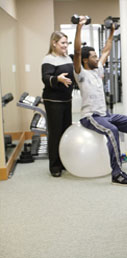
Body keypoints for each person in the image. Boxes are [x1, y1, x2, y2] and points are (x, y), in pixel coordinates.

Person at [73, 16, 127, 186]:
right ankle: (117, 173)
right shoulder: (80, 73)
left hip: (106, 115)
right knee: (112, 131)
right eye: (94, 57)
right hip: (90, 117)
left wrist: (112, 32)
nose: (98, 59)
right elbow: (77, 52)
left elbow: (106, 51)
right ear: (85, 60)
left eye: (97, 57)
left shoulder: (97, 70)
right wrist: (79, 27)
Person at [41, 31, 75, 177]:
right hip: (53, 101)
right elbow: (46, 78)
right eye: (62, 43)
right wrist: (58, 79)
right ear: (54, 43)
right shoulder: (49, 59)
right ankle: (54, 166)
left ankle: (63, 161)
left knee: (66, 132)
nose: (65, 46)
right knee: (55, 133)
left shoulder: (67, 58)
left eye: (67, 43)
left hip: (67, 99)